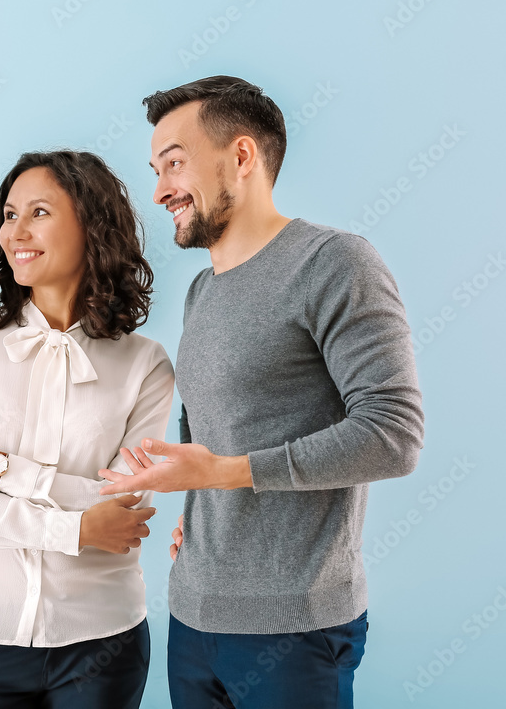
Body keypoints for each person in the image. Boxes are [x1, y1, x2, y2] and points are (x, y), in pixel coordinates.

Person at [98, 76, 425, 708]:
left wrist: (226, 474)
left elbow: (393, 434)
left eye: (174, 164)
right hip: (193, 619)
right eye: (155, 170)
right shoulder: (202, 291)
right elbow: (211, 433)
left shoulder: (335, 264)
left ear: (242, 156)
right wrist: (201, 512)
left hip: (295, 629)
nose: (161, 189)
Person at [0, 150, 175, 708]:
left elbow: (124, 503)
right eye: (10, 215)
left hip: (102, 639)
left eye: (38, 212)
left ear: (92, 226)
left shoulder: (146, 365)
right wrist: (77, 531)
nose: (17, 231)